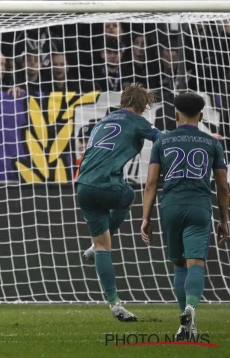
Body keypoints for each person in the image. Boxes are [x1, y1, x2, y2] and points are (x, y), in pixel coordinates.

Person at [141, 92, 229, 340]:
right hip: (199, 206)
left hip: (170, 206)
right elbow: (223, 186)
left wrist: (146, 218)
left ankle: (185, 324)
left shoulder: (163, 142)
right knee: (196, 263)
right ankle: (191, 308)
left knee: (179, 265)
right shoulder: (212, 143)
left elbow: (151, 183)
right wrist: (224, 220)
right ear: (201, 116)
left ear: (175, 115)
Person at [75, 83, 161, 322]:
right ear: (142, 106)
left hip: (82, 186)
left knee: (102, 247)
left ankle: (114, 304)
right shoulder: (137, 121)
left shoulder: (103, 121)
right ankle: (98, 245)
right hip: (107, 185)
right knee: (129, 196)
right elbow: (164, 139)